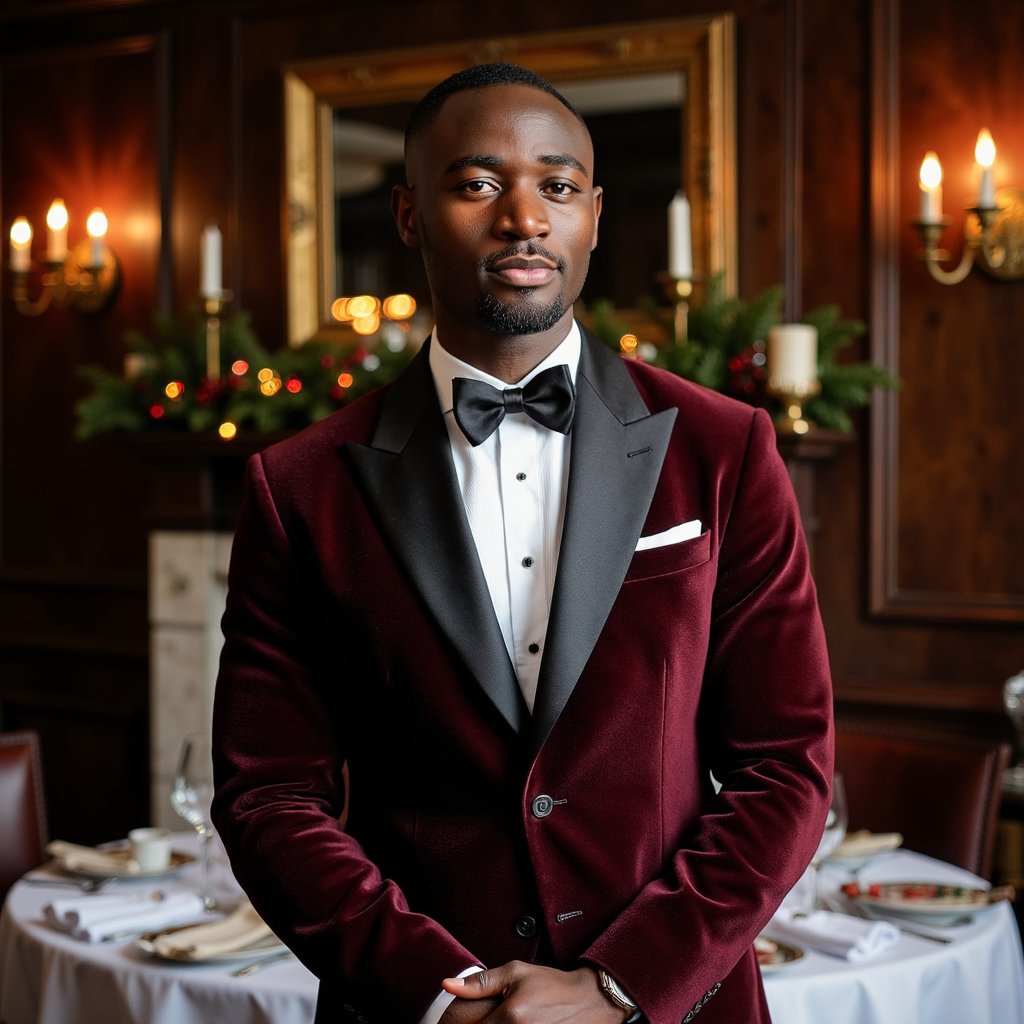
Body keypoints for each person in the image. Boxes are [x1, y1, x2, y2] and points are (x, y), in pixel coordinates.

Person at [212, 62, 833, 1024]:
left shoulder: (724, 447)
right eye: (478, 184)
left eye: (557, 185)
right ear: (411, 215)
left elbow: (784, 763)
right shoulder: (297, 486)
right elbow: (269, 796)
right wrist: (439, 994)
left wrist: (617, 984)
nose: (524, 219)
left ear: (591, 214)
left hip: (676, 1002)